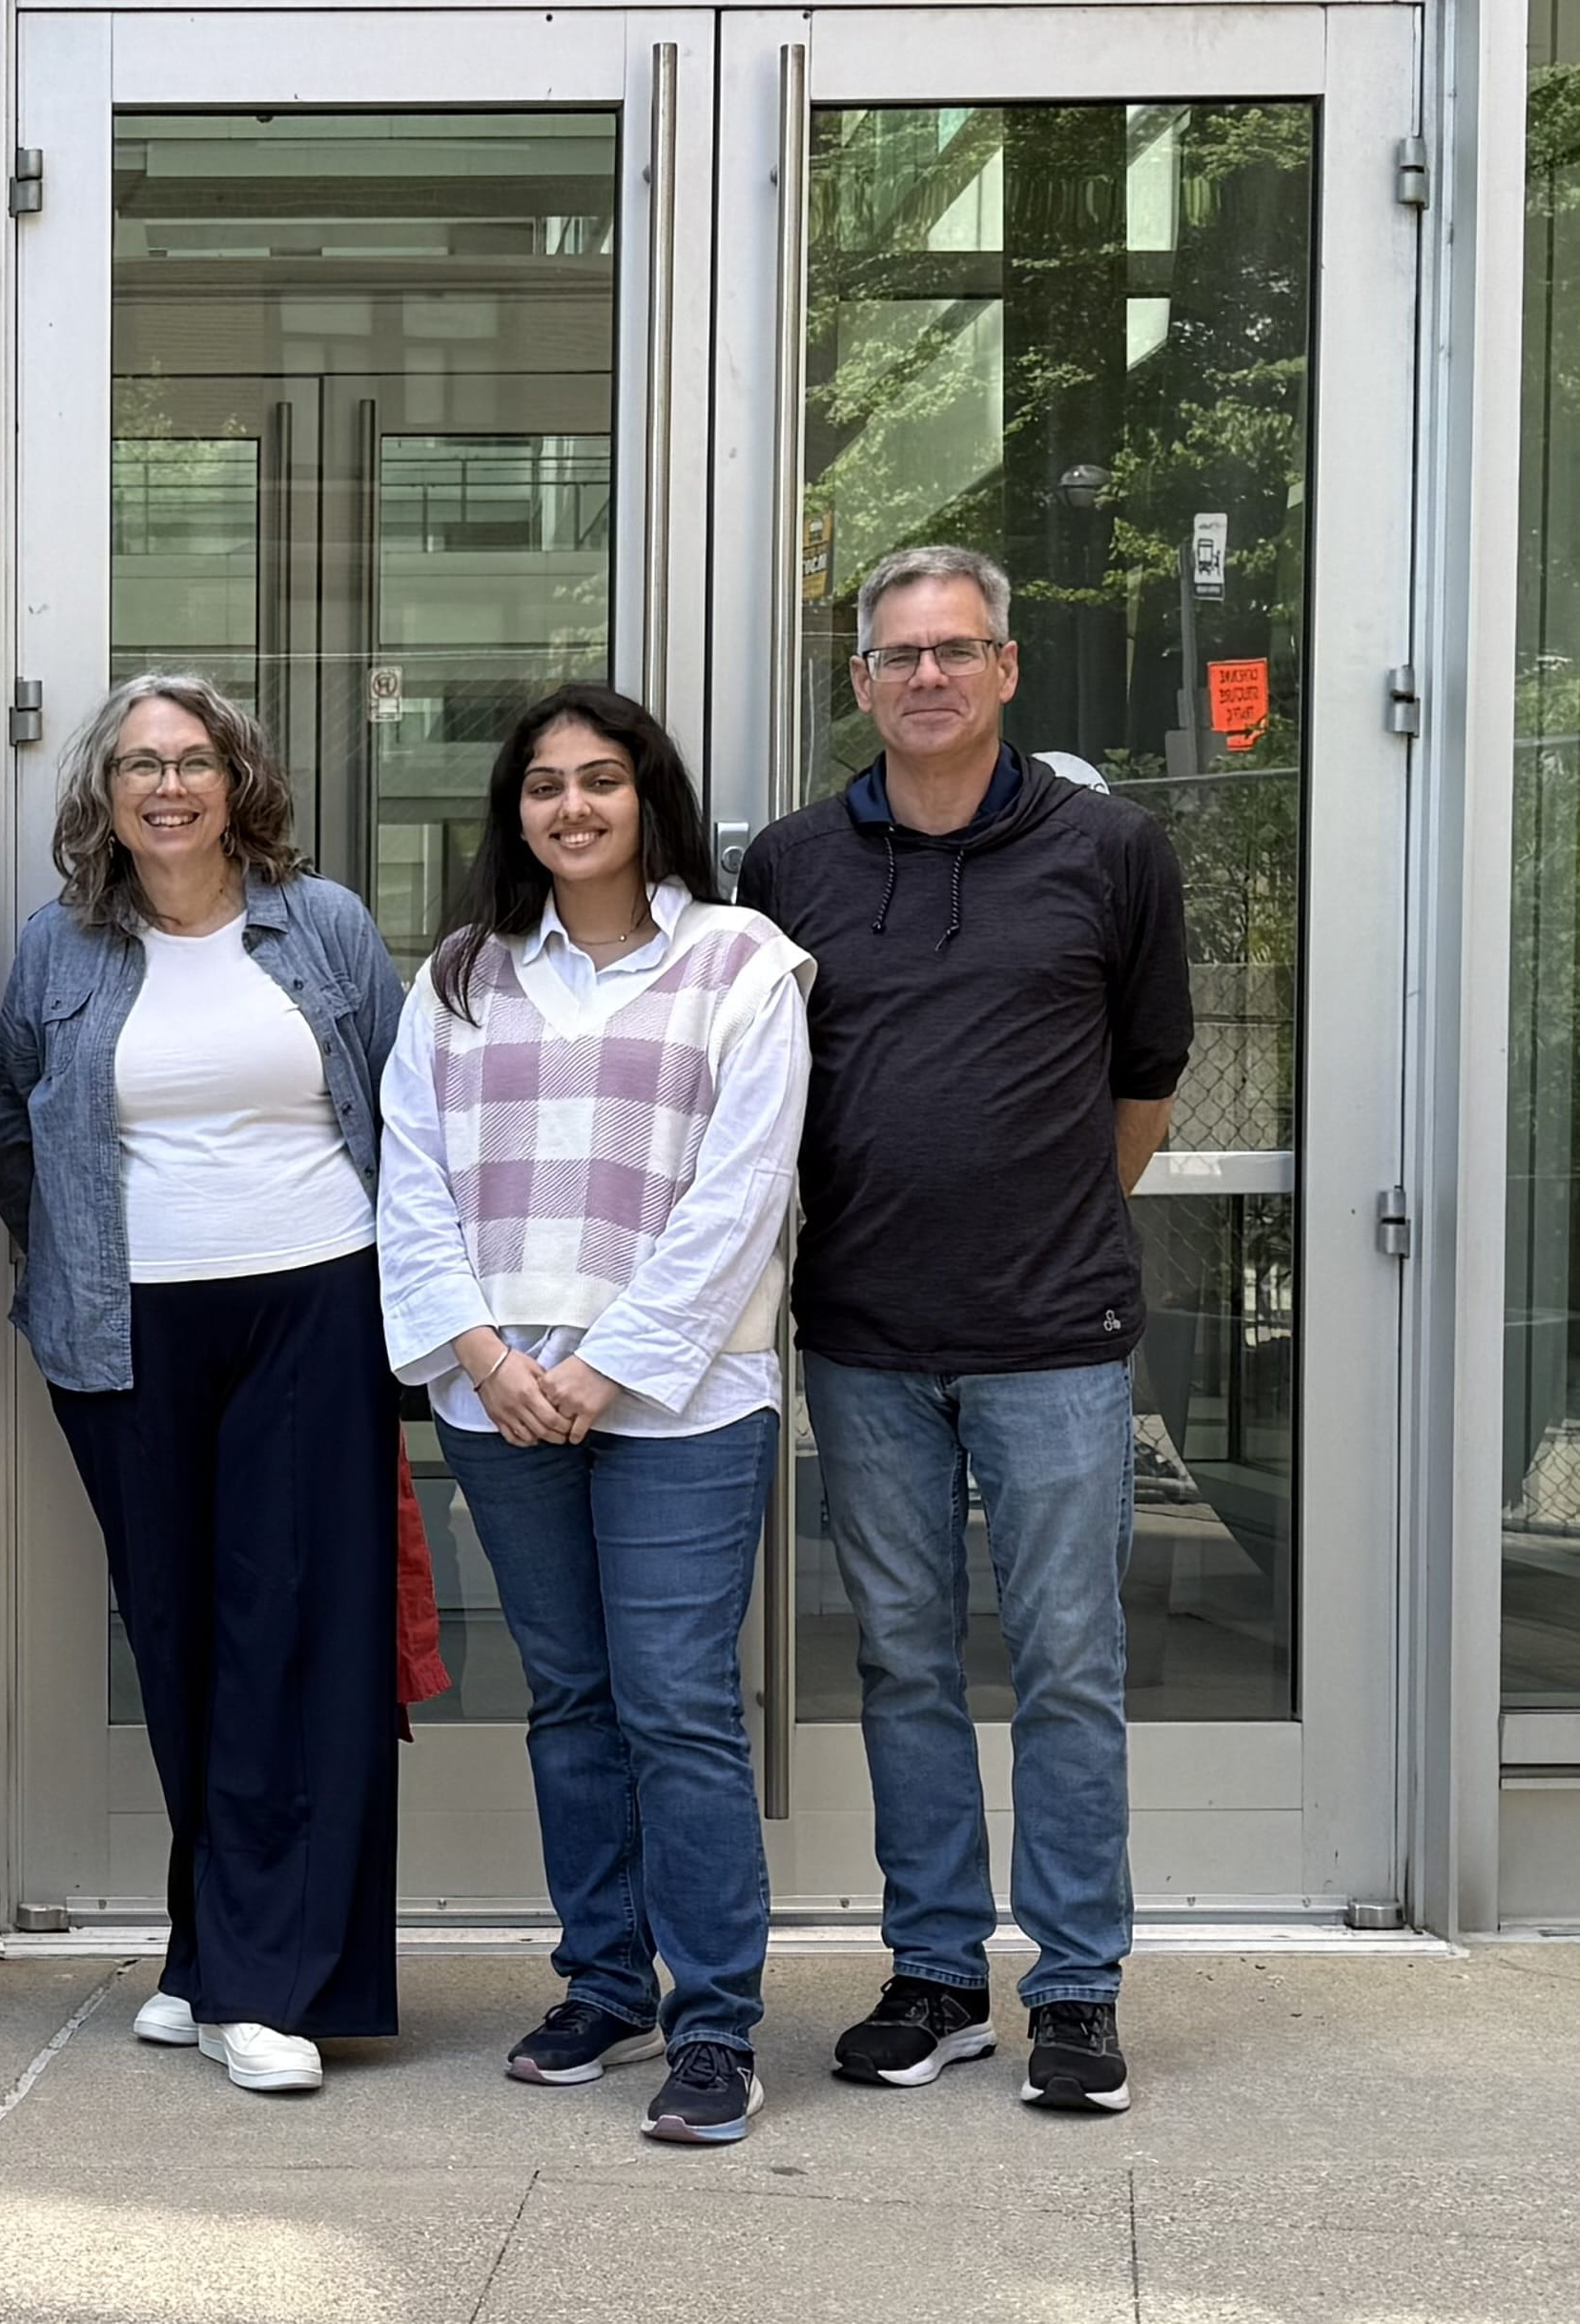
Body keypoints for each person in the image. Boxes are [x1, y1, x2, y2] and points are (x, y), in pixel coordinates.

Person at [737, 541, 1190, 2115]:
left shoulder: (1112, 851)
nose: (928, 676)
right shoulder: (789, 867)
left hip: (1057, 1338)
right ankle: (936, 1971)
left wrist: (1045, 1217)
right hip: (863, 1333)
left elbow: (1144, 1079)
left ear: (1005, 669)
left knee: (1071, 1665)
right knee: (906, 1665)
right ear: (857, 683)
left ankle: (1074, 1986)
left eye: (958, 649)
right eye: (899, 655)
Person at [379, 683, 812, 2146]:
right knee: (569, 1697)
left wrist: (608, 1362)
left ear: (650, 800)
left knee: (679, 1702)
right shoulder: (458, 976)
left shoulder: (740, 963)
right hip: (504, 1392)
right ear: (516, 811)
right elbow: (412, 1185)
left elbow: (745, 1195)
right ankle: (603, 1979)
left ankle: (715, 2021)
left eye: (602, 781)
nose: (573, 806)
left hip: (682, 1396)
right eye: (546, 784)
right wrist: (492, 1360)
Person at [0, 671, 405, 2095]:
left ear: (240, 782)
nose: (168, 786)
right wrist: (75, 1276)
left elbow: (403, 1105)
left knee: (285, 1633)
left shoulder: (325, 925)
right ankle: (204, 1940)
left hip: (314, 1297)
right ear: (102, 795)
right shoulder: (59, 948)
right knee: (176, 1636)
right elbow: (15, 1129)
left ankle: (267, 1980)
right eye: (138, 765)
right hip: (125, 1327)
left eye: (194, 761)